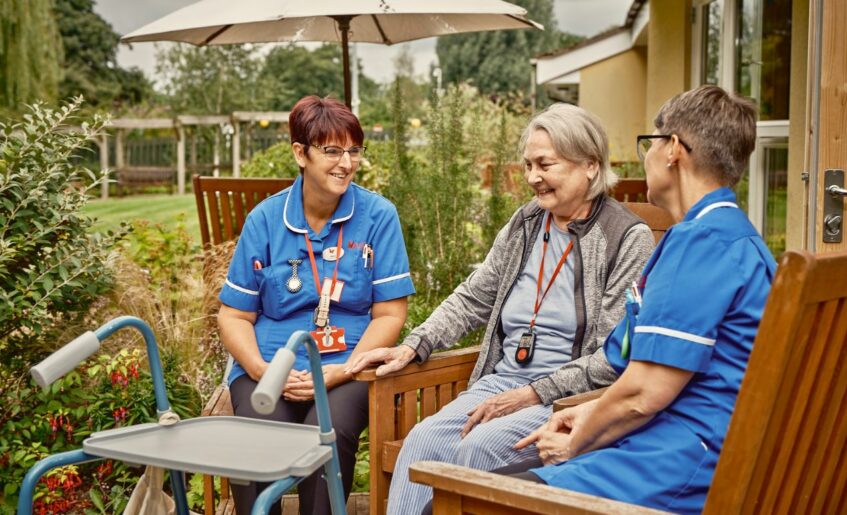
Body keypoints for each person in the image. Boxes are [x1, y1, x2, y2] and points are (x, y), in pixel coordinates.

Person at [345, 103, 655, 514]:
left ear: (590, 166)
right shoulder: (526, 223)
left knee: (478, 449)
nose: (532, 178)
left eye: (545, 164)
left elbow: (609, 358)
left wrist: (531, 394)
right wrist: (414, 345)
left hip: (565, 401)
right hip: (500, 383)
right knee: (421, 442)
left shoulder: (625, 238)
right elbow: (474, 296)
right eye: (528, 164)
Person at [501, 85, 777, 515]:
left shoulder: (702, 244)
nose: (645, 157)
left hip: (680, 463)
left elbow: (643, 395)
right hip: (693, 443)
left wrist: (577, 440)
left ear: (672, 150)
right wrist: (590, 411)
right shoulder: (734, 236)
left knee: (464, 500)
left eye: (649, 143)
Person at [217, 95, 415, 515]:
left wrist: (343, 371)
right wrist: (261, 370)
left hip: (350, 365)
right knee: (256, 435)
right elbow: (234, 315)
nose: (346, 163)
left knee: (324, 435)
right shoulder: (266, 220)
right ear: (300, 153)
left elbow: (390, 313)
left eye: (353, 150)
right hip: (270, 364)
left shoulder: (379, 216)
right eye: (331, 151)